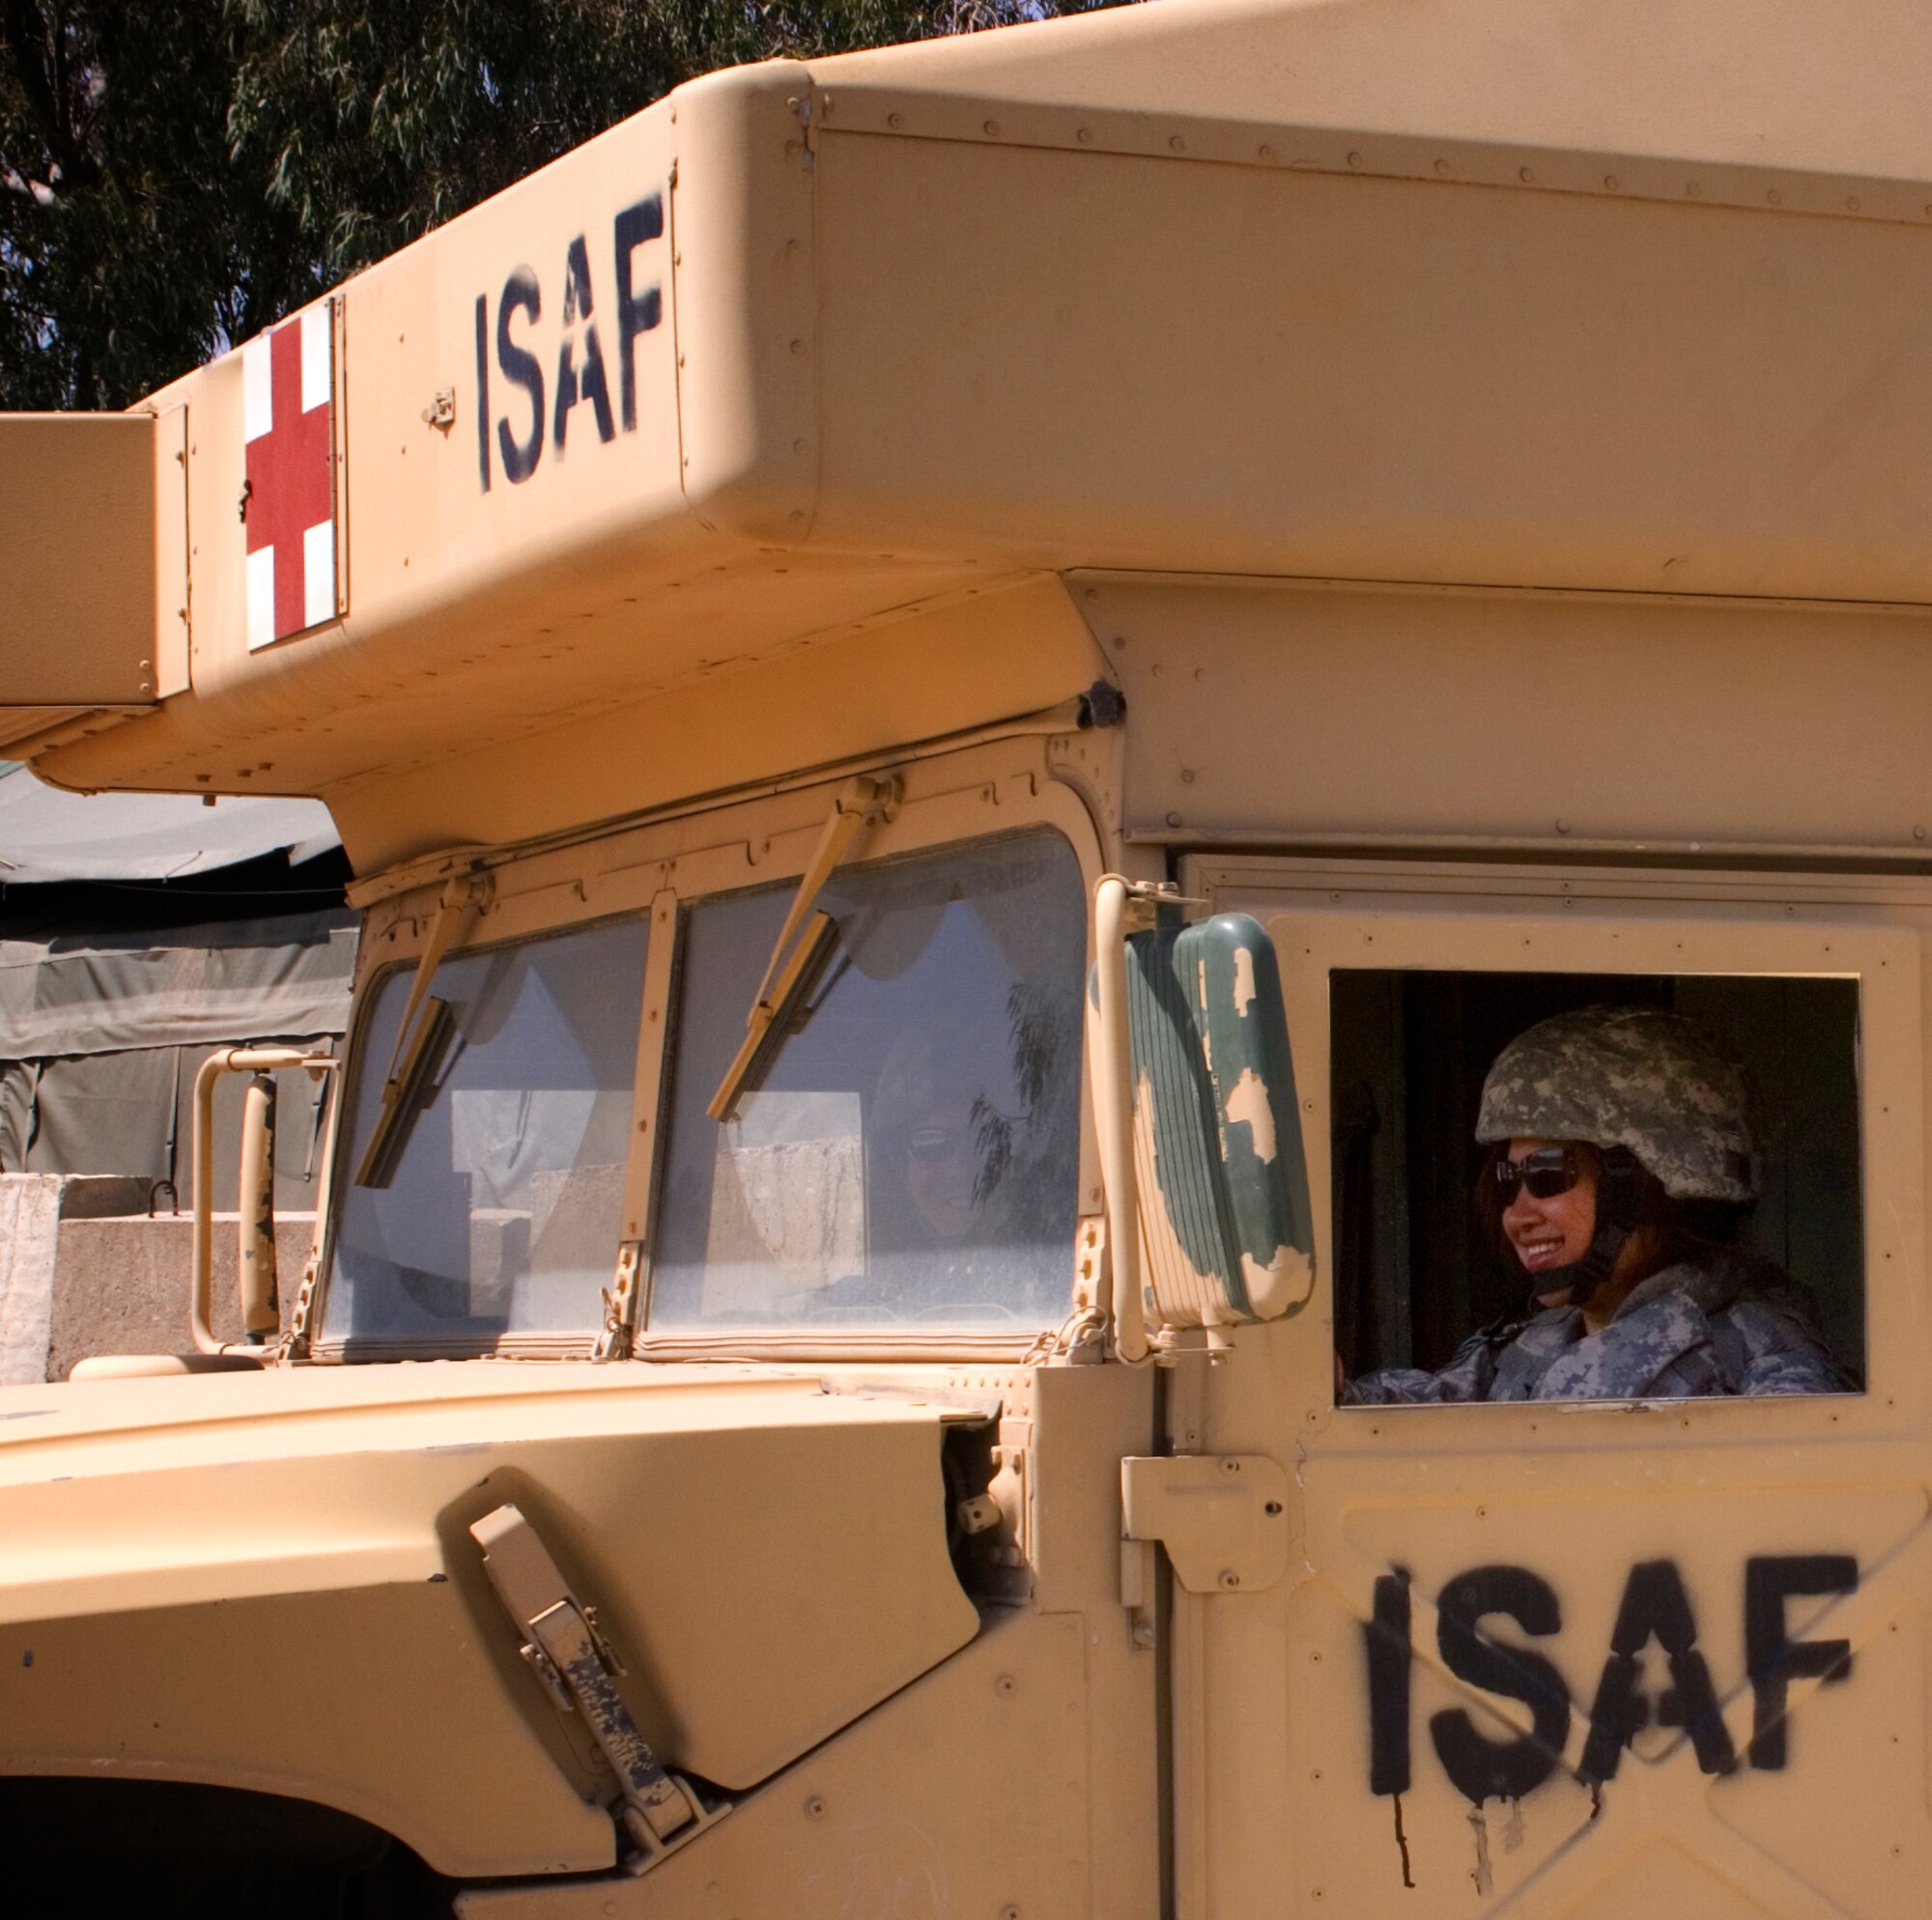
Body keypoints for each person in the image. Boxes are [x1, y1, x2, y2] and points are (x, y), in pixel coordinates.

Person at [1342, 1004, 1852, 1403]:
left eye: (1547, 1174)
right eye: (1508, 1179)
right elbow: (1420, 1413)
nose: (1516, 1214)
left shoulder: (1757, 1359)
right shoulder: (1536, 1343)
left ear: (1651, 1183)